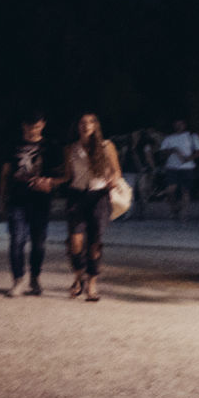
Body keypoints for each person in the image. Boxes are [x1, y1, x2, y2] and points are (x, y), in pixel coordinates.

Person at [0, 108, 56, 296]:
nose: (33, 131)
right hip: (17, 200)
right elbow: (5, 173)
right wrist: (1, 198)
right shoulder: (13, 145)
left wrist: (50, 184)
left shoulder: (49, 146)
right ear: (23, 126)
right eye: (30, 127)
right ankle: (18, 280)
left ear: (43, 125)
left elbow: (59, 175)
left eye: (37, 127)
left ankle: (35, 278)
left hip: (40, 201)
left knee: (39, 243)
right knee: (17, 241)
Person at [64, 112, 121, 301]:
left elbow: (116, 171)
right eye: (82, 122)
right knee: (75, 242)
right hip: (77, 195)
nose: (86, 125)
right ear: (77, 126)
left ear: (96, 126)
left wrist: (113, 180)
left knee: (95, 242)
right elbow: (67, 175)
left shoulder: (107, 146)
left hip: (99, 196)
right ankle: (78, 277)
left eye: (90, 122)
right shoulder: (71, 148)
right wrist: (49, 181)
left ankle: (92, 285)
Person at [157, 118, 199, 222]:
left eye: (181, 124)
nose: (179, 126)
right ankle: (175, 208)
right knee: (170, 190)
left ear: (185, 124)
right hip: (172, 167)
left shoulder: (192, 137)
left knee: (185, 191)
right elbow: (162, 153)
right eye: (176, 124)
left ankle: (184, 214)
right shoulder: (169, 138)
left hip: (187, 167)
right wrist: (172, 150)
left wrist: (189, 158)